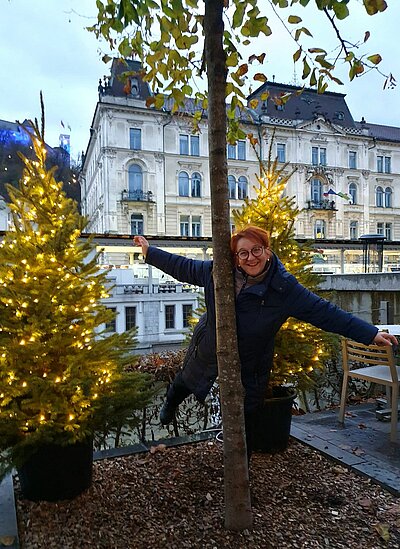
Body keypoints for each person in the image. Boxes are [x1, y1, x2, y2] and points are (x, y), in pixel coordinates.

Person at [133, 227, 397, 456]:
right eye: (243, 253)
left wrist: (370, 334)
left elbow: (325, 312)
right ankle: (170, 403)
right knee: (186, 380)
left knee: (247, 416)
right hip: (212, 343)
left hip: (253, 358)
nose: (251, 258)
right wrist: (149, 252)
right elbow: (183, 266)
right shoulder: (218, 272)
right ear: (235, 258)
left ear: (268, 251)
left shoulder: (284, 288)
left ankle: (242, 475)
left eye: (256, 250)